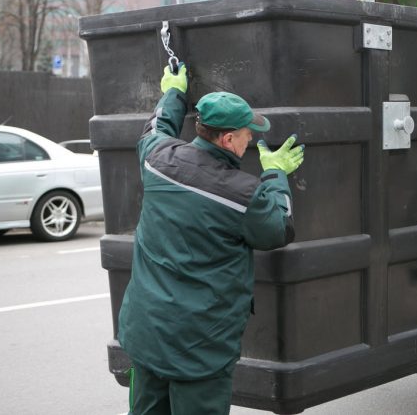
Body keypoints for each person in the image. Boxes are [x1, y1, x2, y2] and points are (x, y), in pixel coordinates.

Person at [118, 64, 304, 415]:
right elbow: (279, 228)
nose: (251, 139)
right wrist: (275, 174)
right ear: (228, 139)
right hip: (198, 350)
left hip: (146, 332)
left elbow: (156, 126)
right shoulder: (241, 195)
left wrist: (173, 91)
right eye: (247, 133)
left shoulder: (157, 159)